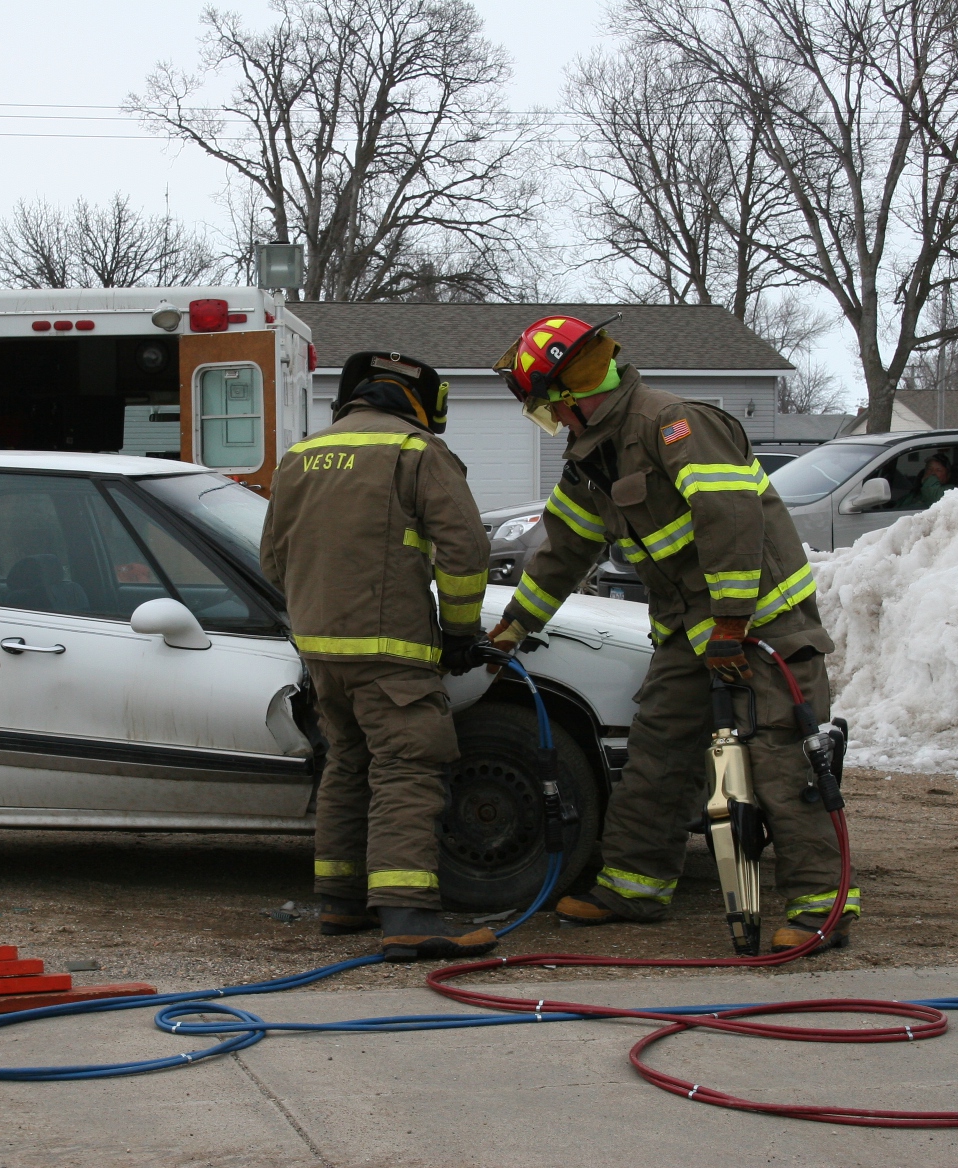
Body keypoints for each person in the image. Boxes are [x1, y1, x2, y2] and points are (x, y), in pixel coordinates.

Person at [487, 315, 859, 953]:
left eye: (551, 409)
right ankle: (633, 885)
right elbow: (565, 549)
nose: (556, 423)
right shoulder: (593, 459)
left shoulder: (673, 424)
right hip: (694, 632)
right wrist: (514, 626)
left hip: (765, 624)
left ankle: (824, 907)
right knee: (659, 750)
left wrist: (734, 623)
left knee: (779, 758)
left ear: (572, 397)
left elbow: (731, 519)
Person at [259, 351, 500, 961]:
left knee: (349, 763)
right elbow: (466, 551)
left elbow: (272, 558)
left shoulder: (302, 455)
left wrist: (314, 619)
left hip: (320, 651)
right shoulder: (418, 452)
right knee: (408, 768)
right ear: (420, 404)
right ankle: (409, 915)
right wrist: (462, 633)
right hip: (391, 652)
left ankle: (340, 900)